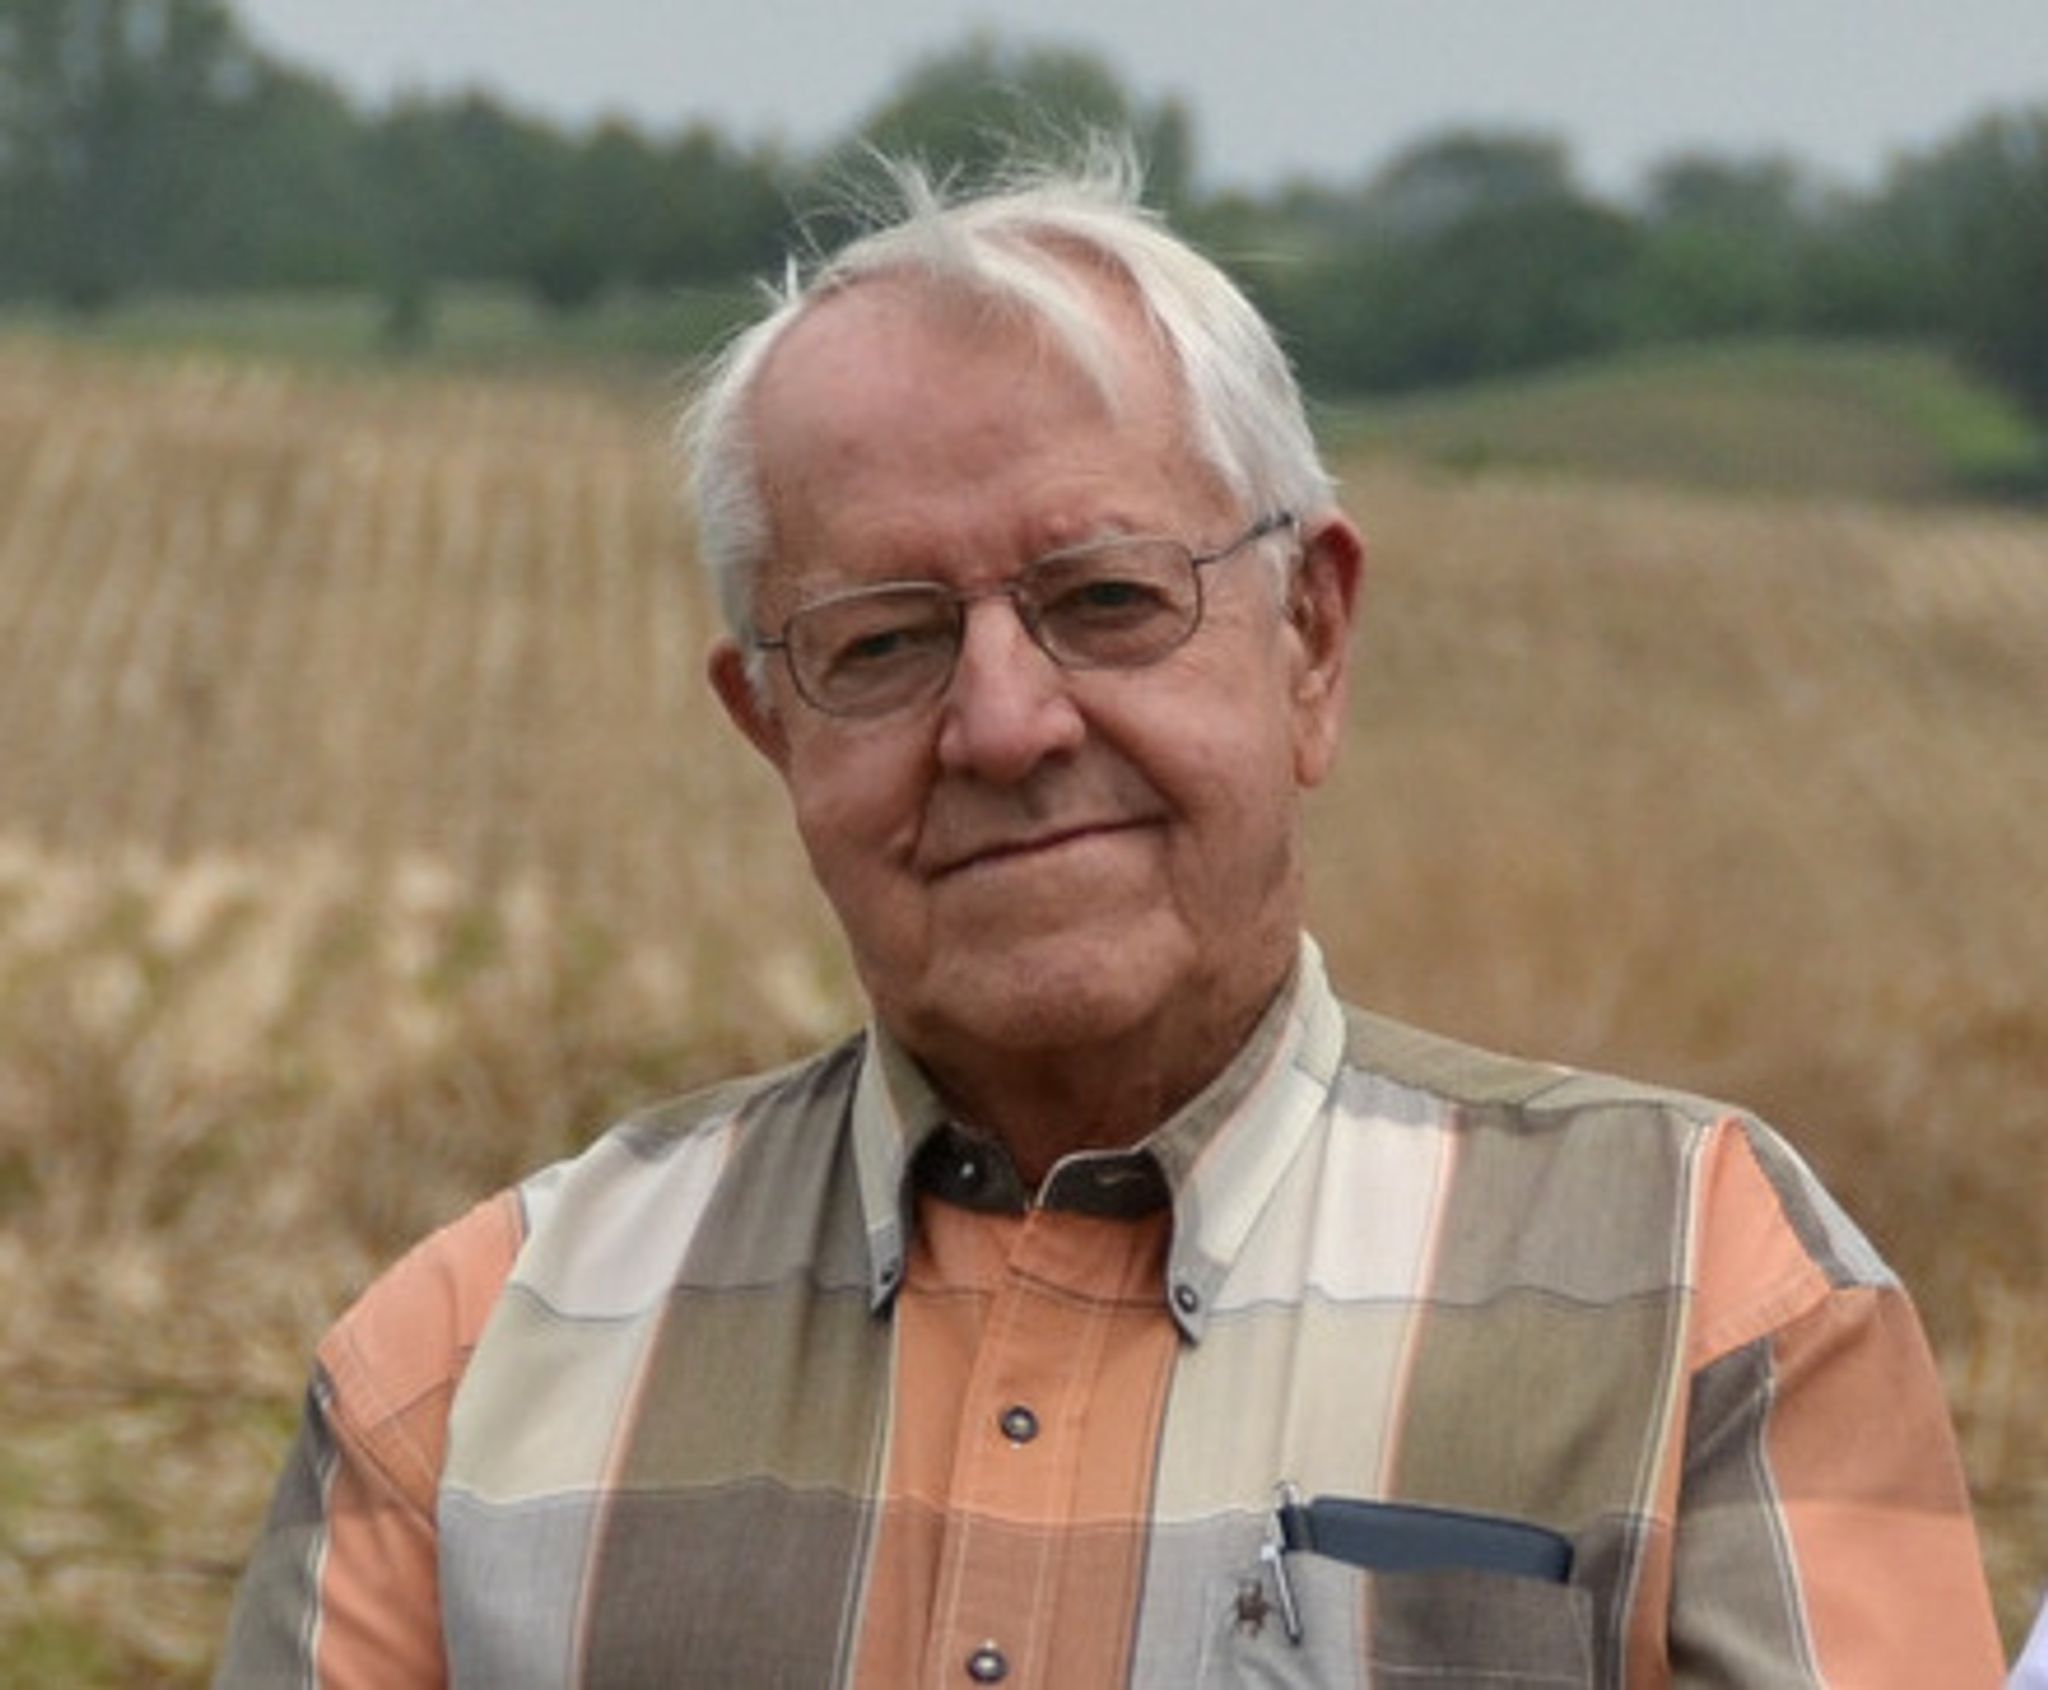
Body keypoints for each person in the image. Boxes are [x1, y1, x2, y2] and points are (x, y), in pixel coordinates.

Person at [216, 148, 2005, 1688]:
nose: (1004, 724)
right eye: (883, 642)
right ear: (770, 729)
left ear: (1312, 639)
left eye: (1106, 599)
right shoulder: (461, 1371)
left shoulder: (1705, 1296)